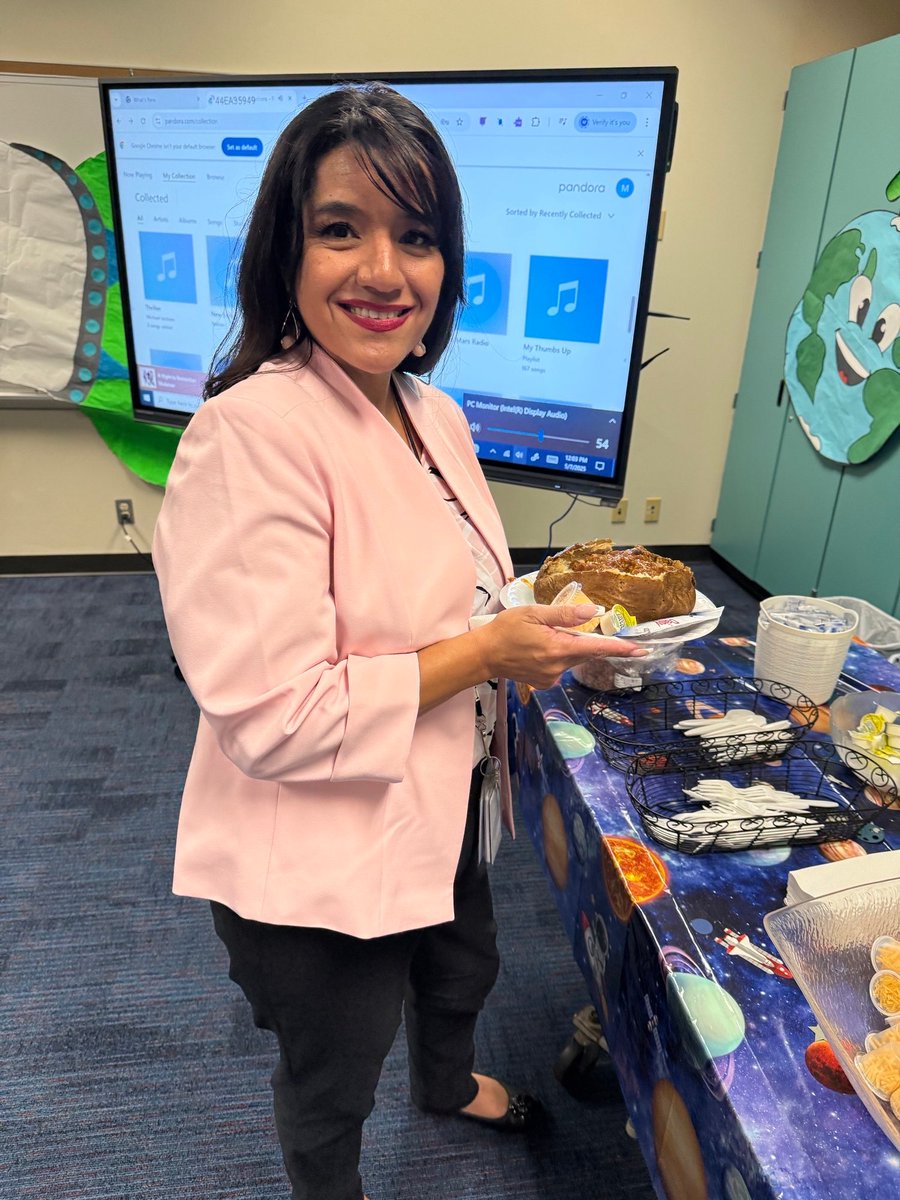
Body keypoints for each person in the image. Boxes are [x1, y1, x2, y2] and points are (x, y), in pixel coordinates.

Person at [152, 82, 647, 1200]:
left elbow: (463, 585)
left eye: (415, 236)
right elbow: (274, 715)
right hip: (317, 859)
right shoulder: (249, 436)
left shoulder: (429, 409)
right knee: (333, 1067)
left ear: (446, 264)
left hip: (446, 792)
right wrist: (490, 653)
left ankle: (447, 1080)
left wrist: (553, 619)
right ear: (287, 251)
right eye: (341, 229)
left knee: (463, 964)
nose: (384, 269)